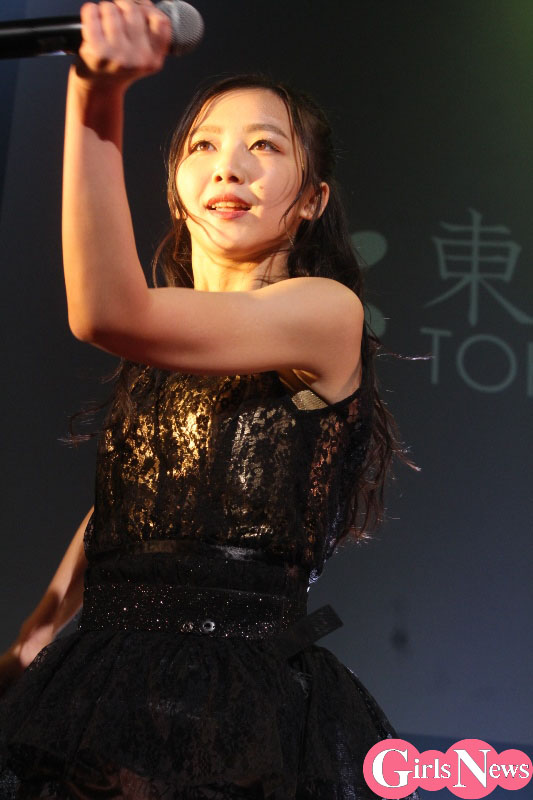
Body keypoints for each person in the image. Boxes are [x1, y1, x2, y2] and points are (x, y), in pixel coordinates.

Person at [0, 1, 420, 798]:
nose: (229, 167)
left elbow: (104, 310)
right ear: (175, 188)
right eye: (203, 145)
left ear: (312, 199)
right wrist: (39, 633)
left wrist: (95, 94)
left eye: (265, 146)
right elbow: (140, 505)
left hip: (234, 701)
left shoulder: (323, 313)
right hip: (107, 674)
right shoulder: (163, 350)